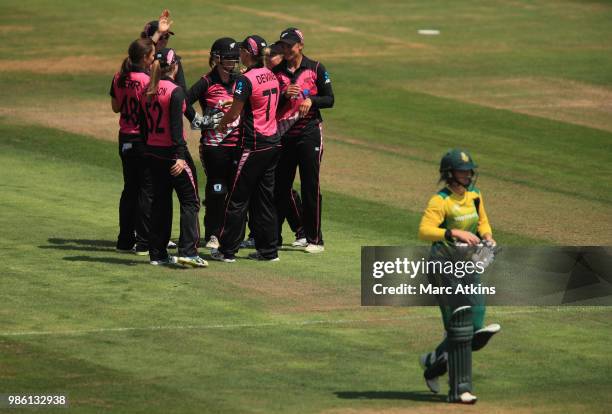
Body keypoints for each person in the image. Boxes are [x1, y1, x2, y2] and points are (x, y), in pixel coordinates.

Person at [417, 149, 501, 404]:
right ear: (449, 174)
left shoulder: (475, 196)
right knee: (458, 328)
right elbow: (425, 231)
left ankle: (434, 363)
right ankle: (458, 388)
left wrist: (487, 236)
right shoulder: (440, 200)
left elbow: (483, 222)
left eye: (469, 170)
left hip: (468, 265)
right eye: (463, 171)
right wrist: (454, 232)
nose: (468, 174)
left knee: (475, 324)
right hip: (442, 267)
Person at [211, 35, 281, 263]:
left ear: (248, 53)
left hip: (254, 145)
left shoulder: (244, 79)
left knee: (237, 199)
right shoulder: (271, 74)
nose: (239, 53)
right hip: (273, 142)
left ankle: (226, 251)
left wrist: (222, 123)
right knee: (264, 199)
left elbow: (235, 113)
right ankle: (269, 250)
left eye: (241, 50)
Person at [140, 48, 207, 268]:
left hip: (152, 153)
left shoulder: (148, 90)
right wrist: (179, 156)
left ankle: (157, 254)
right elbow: (176, 128)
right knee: (190, 200)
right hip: (173, 155)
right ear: (175, 66)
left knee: (161, 202)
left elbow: (143, 127)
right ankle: (188, 251)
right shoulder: (175, 91)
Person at [273, 28, 334, 253]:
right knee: (281, 188)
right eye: (283, 45)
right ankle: (274, 239)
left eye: (290, 45)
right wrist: (283, 95)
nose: (286, 49)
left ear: (300, 46)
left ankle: (315, 240)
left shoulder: (316, 68)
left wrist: (311, 100)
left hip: (309, 133)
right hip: (285, 135)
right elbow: (270, 104)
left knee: (310, 186)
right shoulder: (276, 72)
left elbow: (330, 99)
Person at [185, 37, 241, 250]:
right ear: (216, 58)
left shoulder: (241, 80)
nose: (232, 63)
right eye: (228, 59)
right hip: (214, 147)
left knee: (236, 194)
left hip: (239, 146)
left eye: (235, 59)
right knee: (217, 191)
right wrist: (199, 121)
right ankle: (213, 235)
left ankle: (232, 236)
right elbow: (182, 100)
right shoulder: (207, 82)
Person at [110, 38, 155, 255]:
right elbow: (152, 111)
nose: (154, 57)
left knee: (130, 189)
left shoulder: (119, 77)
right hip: (143, 140)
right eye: (152, 54)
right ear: (145, 58)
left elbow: (116, 107)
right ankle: (144, 242)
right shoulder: (147, 80)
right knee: (146, 190)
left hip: (124, 138)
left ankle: (124, 241)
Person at [140, 9, 187, 92]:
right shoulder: (142, 59)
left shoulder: (171, 57)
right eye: (161, 37)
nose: (165, 40)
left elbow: (182, 89)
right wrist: (158, 33)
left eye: (167, 36)